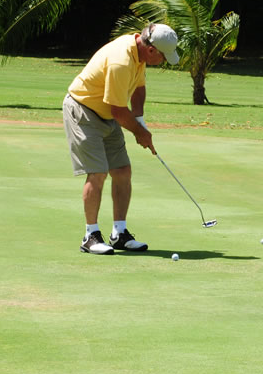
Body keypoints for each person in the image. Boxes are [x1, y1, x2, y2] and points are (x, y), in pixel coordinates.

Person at [62, 23, 180, 254]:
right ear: (152, 49)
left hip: (107, 114)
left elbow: (138, 89)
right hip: (83, 111)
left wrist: (140, 121)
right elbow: (118, 110)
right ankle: (90, 236)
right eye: (164, 57)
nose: (164, 62)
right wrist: (140, 133)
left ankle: (119, 234)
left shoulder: (139, 55)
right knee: (98, 172)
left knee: (122, 171)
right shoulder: (121, 61)